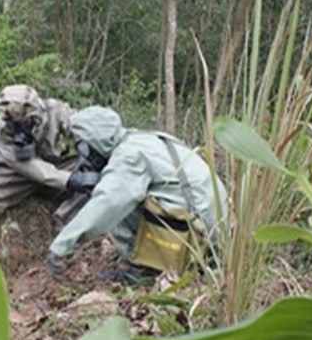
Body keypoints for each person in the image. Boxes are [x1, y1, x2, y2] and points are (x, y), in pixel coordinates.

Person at [45, 106, 227, 282]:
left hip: (201, 238)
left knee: (115, 200)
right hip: (218, 233)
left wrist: (61, 246)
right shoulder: (141, 139)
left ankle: (141, 271)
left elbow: (108, 203)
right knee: (121, 192)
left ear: (93, 143)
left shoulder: (128, 156)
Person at [0, 84, 100, 275]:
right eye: (15, 125)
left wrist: (84, 152)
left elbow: (80, 126)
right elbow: (33, 170)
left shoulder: (54, 110)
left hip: (52, 162)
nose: (20, 130)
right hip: (17, 171)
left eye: (25, 124)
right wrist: (70, 180)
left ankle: (65, 222)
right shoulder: (2, 129)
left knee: (94, 178)